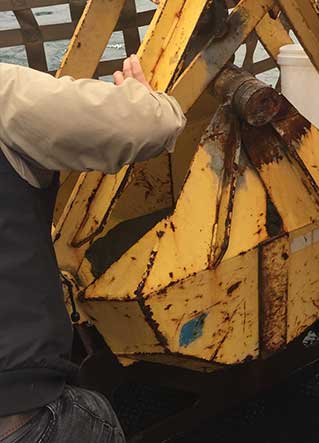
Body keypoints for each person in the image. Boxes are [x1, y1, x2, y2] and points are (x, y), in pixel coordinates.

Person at [0, 55, 186, 442]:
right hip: (17, 413)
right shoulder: (7, 94)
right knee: (93, 415)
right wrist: (144, 98)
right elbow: (154, 125)